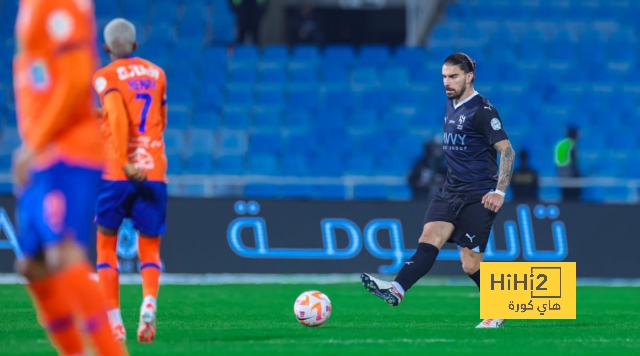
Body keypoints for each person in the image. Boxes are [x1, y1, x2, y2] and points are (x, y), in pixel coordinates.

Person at [361, 53, 515, 329]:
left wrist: (499, 192)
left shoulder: (483, 110)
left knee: (469, 264)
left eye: (453, 76)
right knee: (429, 236)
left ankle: (498, 307)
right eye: (444, 76)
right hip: (450, 190)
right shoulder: (450, 105)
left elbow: (507, 151)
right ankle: (397, 288)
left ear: (469, 77)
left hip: (478, 196)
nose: (447, 82)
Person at [12, 1, 126, 355]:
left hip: (67, 150)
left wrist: (36, 144)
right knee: (34, 265)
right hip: (43, 153)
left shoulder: (60, 5)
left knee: (65, 254)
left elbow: (77, 77)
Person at [93, 18, 168, 343]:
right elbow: (158, 120)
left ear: (106, 48)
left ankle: (114, 324)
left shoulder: (105, 75)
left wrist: (124, 161)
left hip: (118, 172)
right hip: (155, 171)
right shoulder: (157, 73)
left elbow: (119, 113)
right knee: (149, 250)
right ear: (135, 46)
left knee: (106, 249)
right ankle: (148, 304)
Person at [555, 126, 580, 201]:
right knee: (573, 200)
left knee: (565, 199)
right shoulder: (571, 144)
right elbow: (574, 163)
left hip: (561, 175)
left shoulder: (561, 144)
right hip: (570, 176)